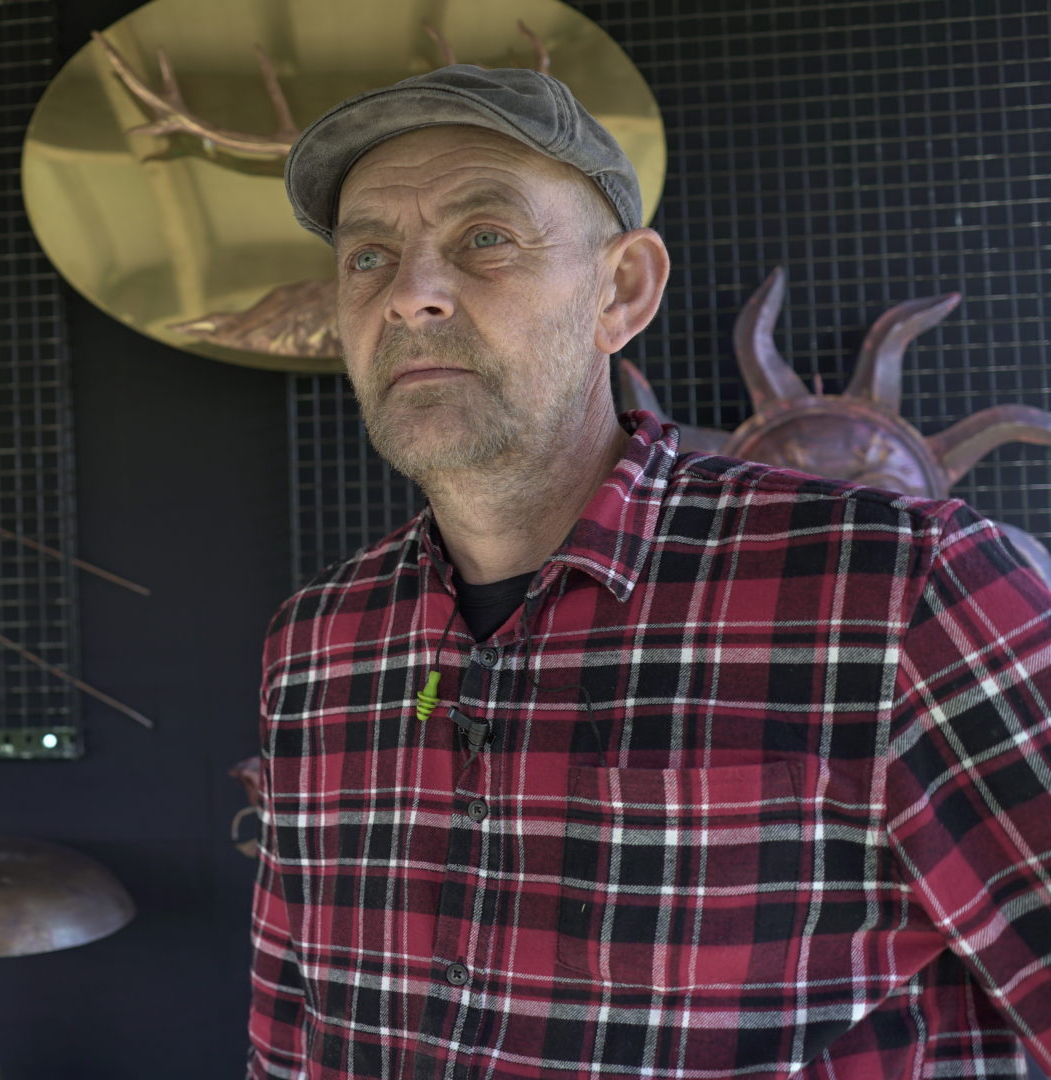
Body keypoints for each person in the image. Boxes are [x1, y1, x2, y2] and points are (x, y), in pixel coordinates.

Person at [249, 64, 1051, 1078]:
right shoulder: (314, 644)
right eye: (368, 256)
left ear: (622, 290)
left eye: (486, 237)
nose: (410, 294)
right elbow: (288, 1035)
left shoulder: (901, 591)